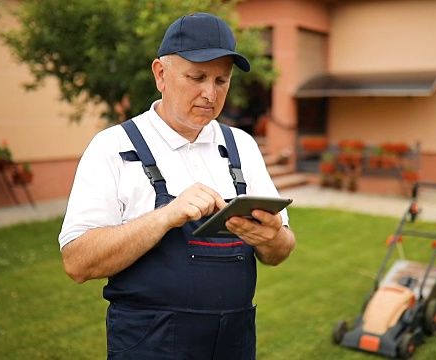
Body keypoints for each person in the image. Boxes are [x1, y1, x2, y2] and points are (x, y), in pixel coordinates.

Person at [57, 12, 296, 359]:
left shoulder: (242, 146)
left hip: (234, 342)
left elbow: (281, 250)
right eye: (196, 77)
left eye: (221, 81)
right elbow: (77, 263)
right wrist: (165, 217)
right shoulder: (112, 147)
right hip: (149, 343)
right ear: (160, 74)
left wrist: (273, 238)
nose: (209, 93)